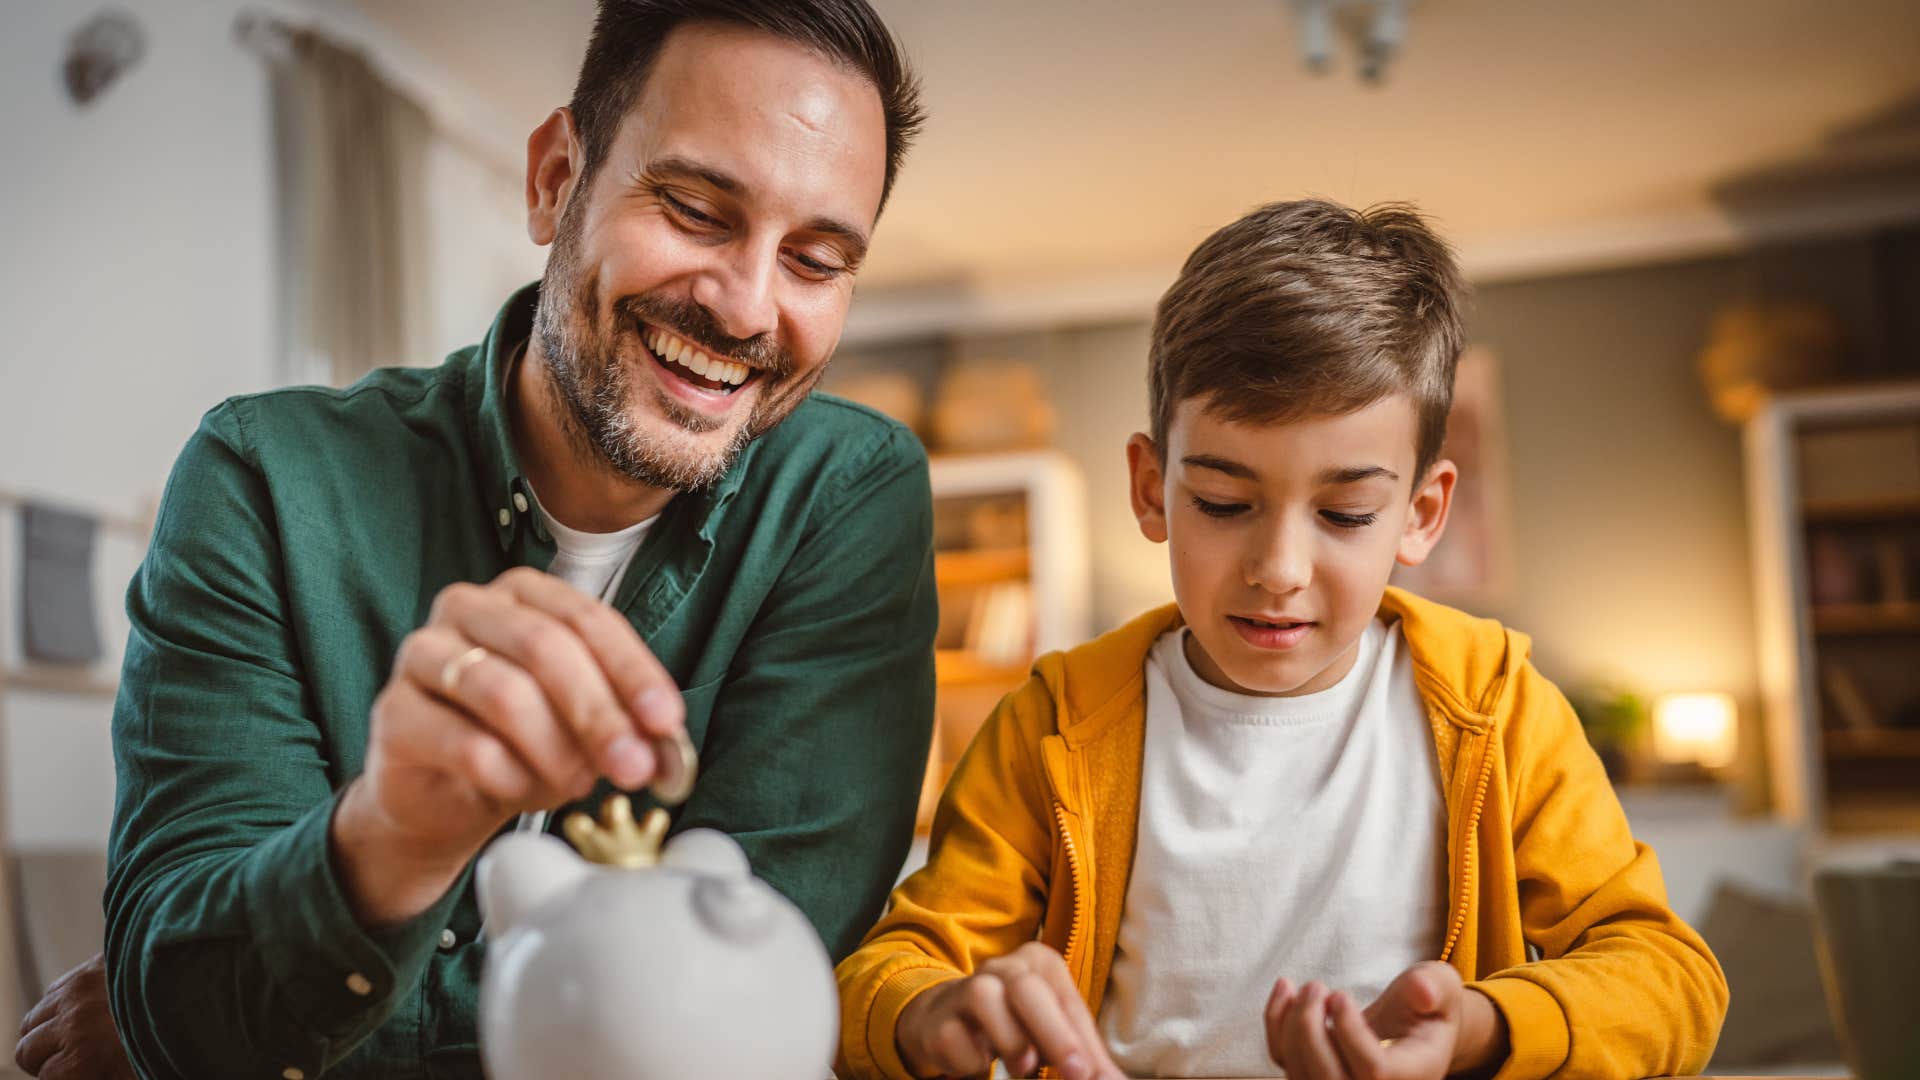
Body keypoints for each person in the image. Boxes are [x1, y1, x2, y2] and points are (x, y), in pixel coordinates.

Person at [15, 2, 934, 1077]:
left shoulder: (850, 495)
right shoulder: (264, 478)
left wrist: (256, 1017)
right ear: (555, 181)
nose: (745, 307)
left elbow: (751, 1004)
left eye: (817, 262)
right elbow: (186, 992)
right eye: (694, 210)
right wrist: (390, 839)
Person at [835, 199, 1729, 1080]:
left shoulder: (1499, 706)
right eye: (1224, 504)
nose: (1279, 568)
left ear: (1420, 515)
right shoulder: (1055, 724)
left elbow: (1669, 978)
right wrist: (927, 1016)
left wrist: (1483, 1029)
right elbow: (889, 969)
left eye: (1344, 514)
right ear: (1152, 488)